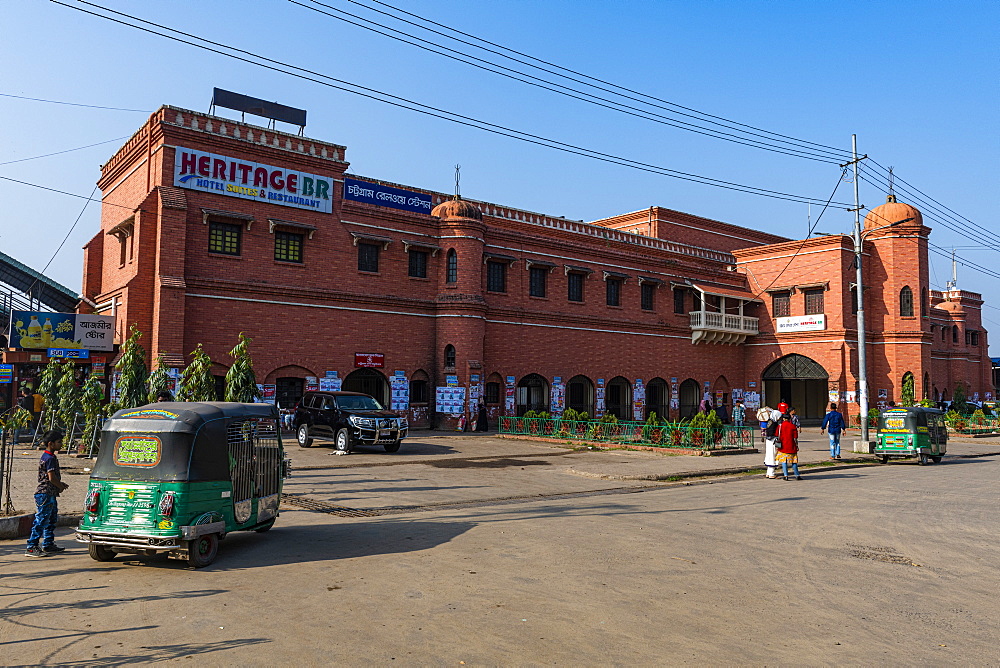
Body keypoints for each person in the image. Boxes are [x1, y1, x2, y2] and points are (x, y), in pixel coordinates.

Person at [25, 430, 70, 557]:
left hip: (50, 493)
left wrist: (61, 484)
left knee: (51, 519)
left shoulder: (50, 457)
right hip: (45, 494)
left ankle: (48, 544)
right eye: (59, 442)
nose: (61, 444)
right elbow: (51, 478)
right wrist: (60, 486)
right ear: (50, 443)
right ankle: (31, 546)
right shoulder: (49, 458)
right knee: (42, 520)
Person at [775, 413, 801, 481]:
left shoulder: (780, 426)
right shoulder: (793, 426)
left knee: (784, 462)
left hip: (783, 446)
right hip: (792, 446)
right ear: (790, 419)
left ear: (783, 419)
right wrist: (797, 445)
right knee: (794, 461)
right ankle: (797, 475)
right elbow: (795, 437)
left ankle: (786, 475)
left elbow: (777, 435)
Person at [763, 408, 781, 478]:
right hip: (773, 441)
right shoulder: (774, 423)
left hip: (769, 441)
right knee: (773, 456)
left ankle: (768, 472)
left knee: (769, 455)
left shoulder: (769, 421)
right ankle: (771, 474)